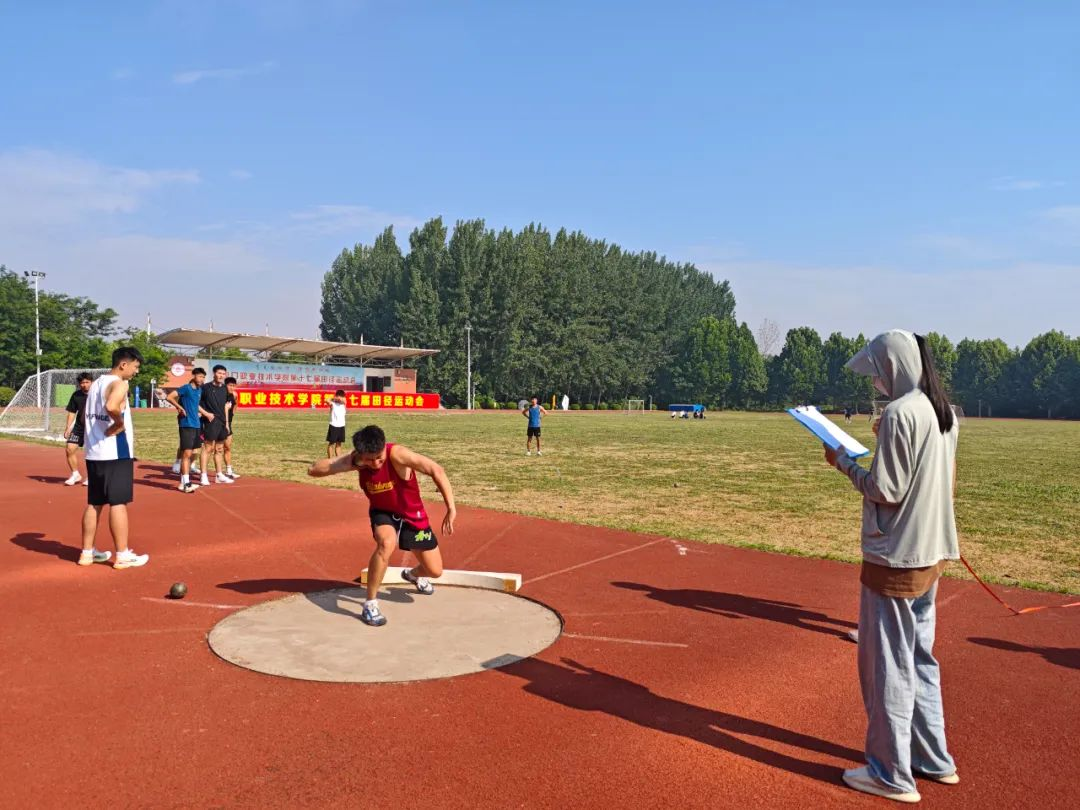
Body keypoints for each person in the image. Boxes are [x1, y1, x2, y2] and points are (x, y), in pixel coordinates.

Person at [823, 330, 960, 803]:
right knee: (919, 658)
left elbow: (886, 489)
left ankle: (889, 774)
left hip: (895, 556)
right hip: (930, 553)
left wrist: (843, 463)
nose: (875, 381)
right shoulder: (942, 411)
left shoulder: (902, 413)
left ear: (894, 366)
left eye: (878, 371)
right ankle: (933, 758)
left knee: (887, 667)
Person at [307, 425, 457, 628]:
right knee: (386, 543)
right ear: (361, 454)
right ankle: (370, 604)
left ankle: (412, 575)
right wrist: (351, 462)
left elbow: (435, 470)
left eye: (379, 457)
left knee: (435, 571)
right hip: (382, 512)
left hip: (412, 515)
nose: (376, 463)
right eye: (370, 459)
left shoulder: (398, 454)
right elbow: (314, 469)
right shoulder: (357, 460)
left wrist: (451, 508)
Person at [79, 346, 149, 569]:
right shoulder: (120, 383)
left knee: (95, 503)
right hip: (115, 452)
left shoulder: (95, 384)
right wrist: (119, 424)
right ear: (123, 364)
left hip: (94, 452)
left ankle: (87, 553)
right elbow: (111, 406)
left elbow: (84, 417)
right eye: (135, 367)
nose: (136, 371)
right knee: (118, 502)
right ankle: (122, 554)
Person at [166, 368, 207, 493]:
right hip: (186, 424)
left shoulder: (199, 390)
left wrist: (202, 413)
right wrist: (180, 408)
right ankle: (186, 483)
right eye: (199, 376)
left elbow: (195, 404)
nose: (201, 379)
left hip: (196, 424)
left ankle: (183, 483)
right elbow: (169, 397)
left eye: (203, 377)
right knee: (187, 454)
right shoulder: (186, 388)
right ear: (194, 375)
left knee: (192, 452)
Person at [198, 364, 234, 486]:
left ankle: (219, 474)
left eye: (223, 374)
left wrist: (227, 423)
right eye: (219, 373)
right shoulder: (205, 388)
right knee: (208, 448)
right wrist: (206, 414)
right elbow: (195, 403)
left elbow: (226, 407)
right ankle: (203, 475)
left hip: (222, 422)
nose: (221, 376)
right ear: (214, 373)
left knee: (219, 449)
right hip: (210, 422)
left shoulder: (225, 388)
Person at [62, 372, 93, 486]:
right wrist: (68, 428)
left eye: (87, 382)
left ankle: (91, 477)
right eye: (82, 383)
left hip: (93, 428)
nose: (85, 385)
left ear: (92, 382)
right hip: (79, 427)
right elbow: (71, 412)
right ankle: (75, 474)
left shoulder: (97, 394)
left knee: (91, 453)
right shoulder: (76, 395)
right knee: (69, 448)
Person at [222, 376, 240, 479]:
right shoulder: (221, 395)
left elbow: (236, 403)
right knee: (213, 449)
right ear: (225, 385)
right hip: (219, 423)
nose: (231, 387)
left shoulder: (234, 394)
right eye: (229, 385)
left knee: (227, 447)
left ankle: (229, 470)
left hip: (228, 424)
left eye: (233, 385)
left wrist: (233, 412)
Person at [325, 389, 347, 458]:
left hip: (341, 426)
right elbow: (326, 400)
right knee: (331, 444)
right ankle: (330, 460)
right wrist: (334, 398)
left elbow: (344, 400)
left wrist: (339, 398)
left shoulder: (344, 404)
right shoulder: (332, 404)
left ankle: (338, 460)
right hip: (334, 425)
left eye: (343, 396)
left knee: (339, 444)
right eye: (340, 396)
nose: (341, 398)